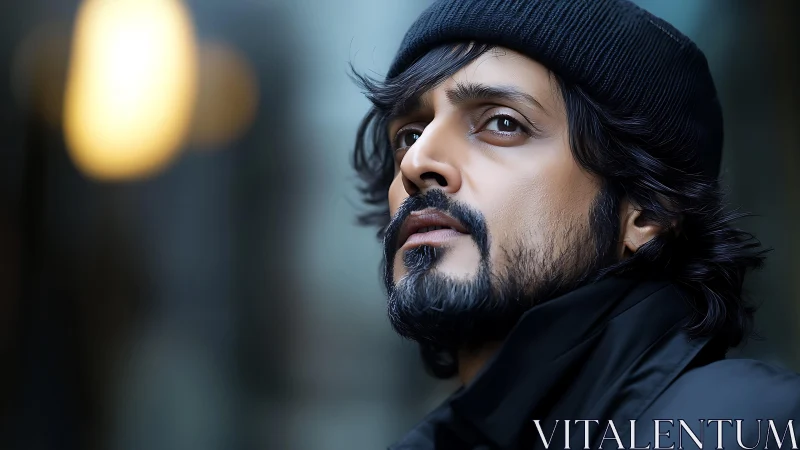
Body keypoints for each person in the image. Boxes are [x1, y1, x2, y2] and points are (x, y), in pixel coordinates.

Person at [350, 0, 800, 448]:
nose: (416, 161)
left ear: (648, 210)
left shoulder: (758, 427)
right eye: (408, 135)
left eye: (502, 123)